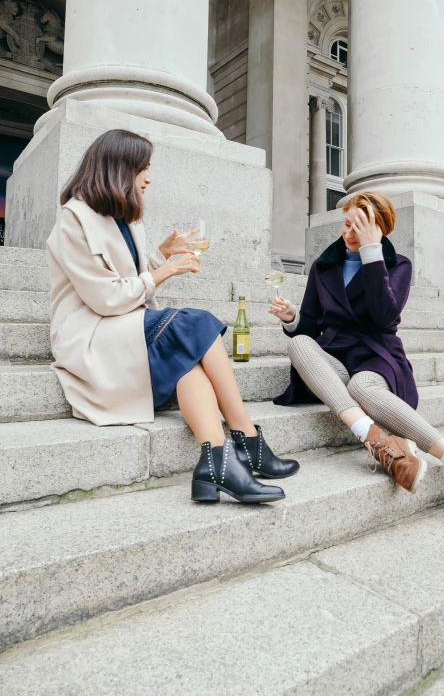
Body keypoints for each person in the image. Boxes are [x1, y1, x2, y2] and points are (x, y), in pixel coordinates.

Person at [47, 129, 299, 505]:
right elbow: (106, 299)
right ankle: (247, 439)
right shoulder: (73, 220)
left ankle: (216, 462)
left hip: (126, 326)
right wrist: (168, 270)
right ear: (119, 169)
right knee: (194, 322)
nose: (148, 178)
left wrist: (158, 256)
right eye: (142, 169)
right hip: (91, 336)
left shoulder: (125, 218)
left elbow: (130, 282)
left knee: (190, 364)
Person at [269, 191, 444, 539]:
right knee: (298, 342)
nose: (350, 232)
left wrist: (372, 254)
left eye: (361, 225)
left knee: (360, 387)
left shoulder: (397, 264)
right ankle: (376, 440)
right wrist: (293, 317)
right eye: (347, 223)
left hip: (378, 355)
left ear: (380, 229)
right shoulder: (322, 266)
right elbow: (311, 326)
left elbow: (385, 315)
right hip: (336, 357)